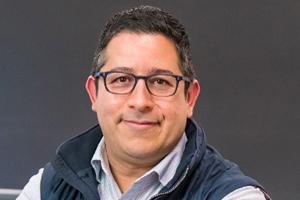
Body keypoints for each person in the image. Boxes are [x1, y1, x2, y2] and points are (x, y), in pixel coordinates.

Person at [17, 5, 271, 200]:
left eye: (160, 82)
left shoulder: (232, 195)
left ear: (189, 97)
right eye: (121, 79)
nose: (140, 102)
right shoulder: (47, 188)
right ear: (94, 93)